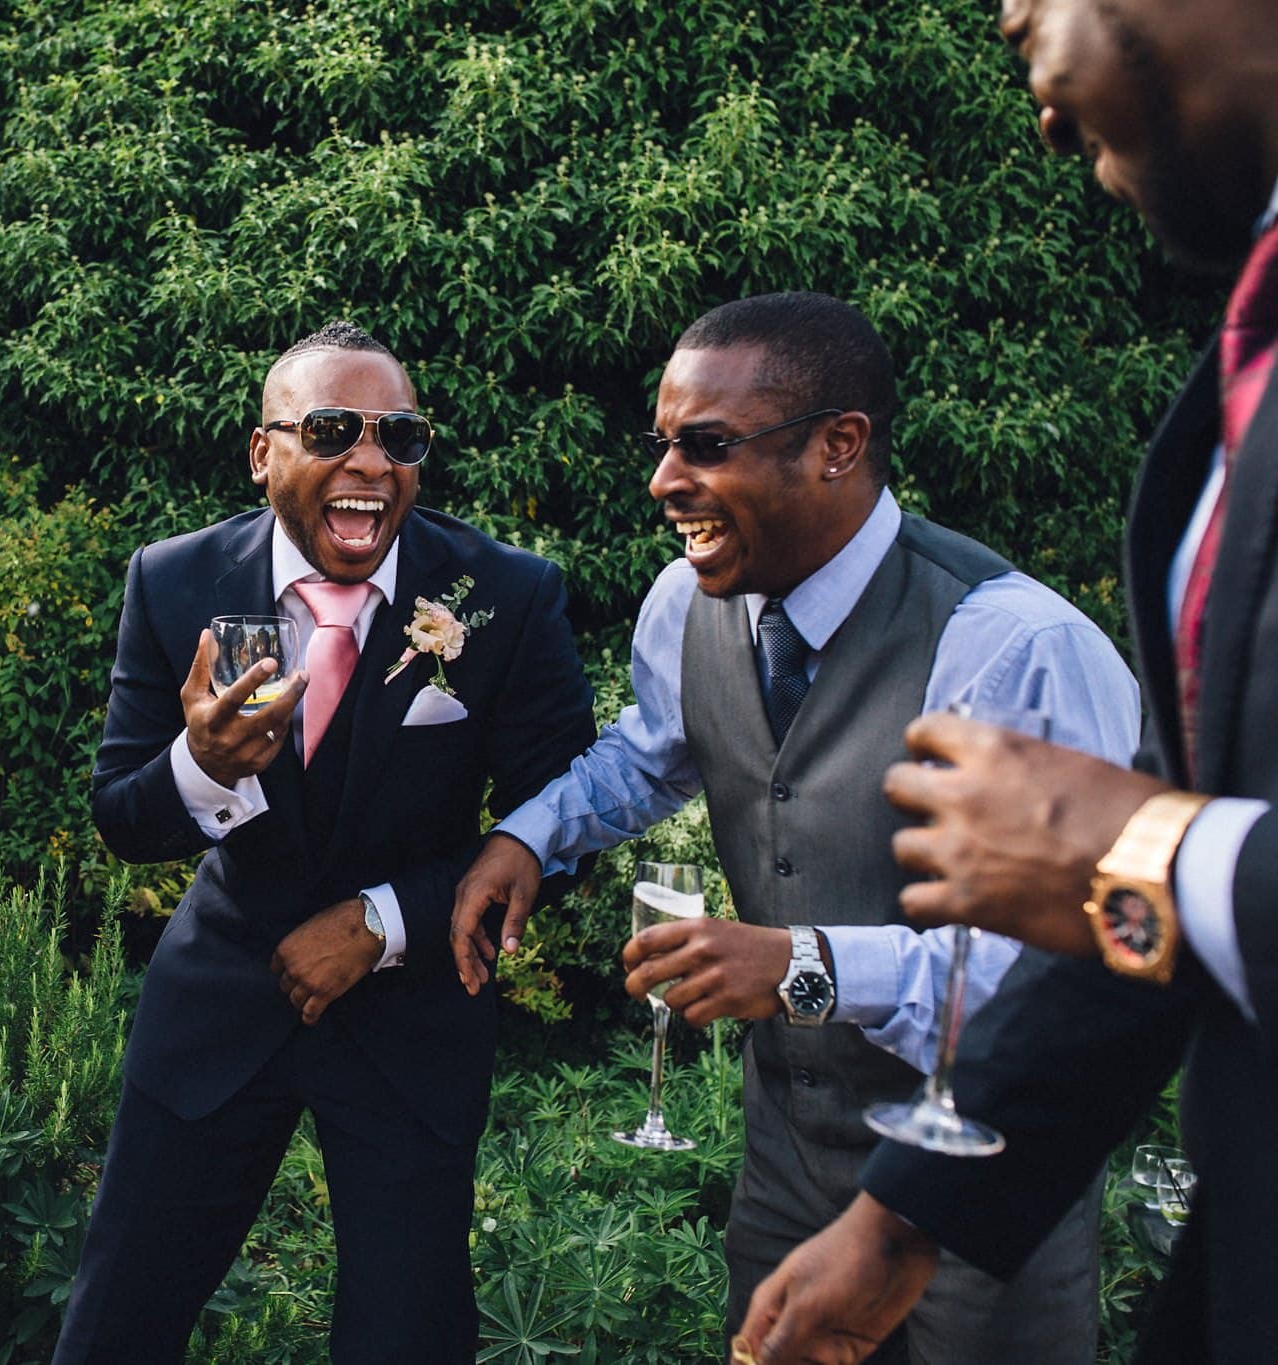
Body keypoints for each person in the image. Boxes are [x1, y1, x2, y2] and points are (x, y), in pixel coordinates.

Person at [449, 292, 1140, 1363]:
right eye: (663, 444)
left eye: (705, 447)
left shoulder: (1012, 648)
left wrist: (802, 967)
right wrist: (525, 839)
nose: (662, 482)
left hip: (984, 1183)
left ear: (838, 446)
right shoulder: (685, 602)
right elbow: (650, 752)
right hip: (787, 1166)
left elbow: (1058, 970)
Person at [733, 2, 1278, 1362]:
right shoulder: (1231, 386)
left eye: (1030, 3)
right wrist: (904, 1218)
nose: (1029, 80)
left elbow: (1147, 862)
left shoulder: (1011, 635)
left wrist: (1157, 856)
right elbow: (1146, 907)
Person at [52, 320, 599, 1363]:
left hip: (410, 1024)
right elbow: (123, 816)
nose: (370, 460)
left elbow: (558, 828)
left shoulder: (504, 596)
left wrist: (382, 923)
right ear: (264, 453)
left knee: (405, 1336)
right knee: (117, 1322)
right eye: (334, 429)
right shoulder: (173, 582)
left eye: (399, 435)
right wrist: (201, 768)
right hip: (217, 1004)